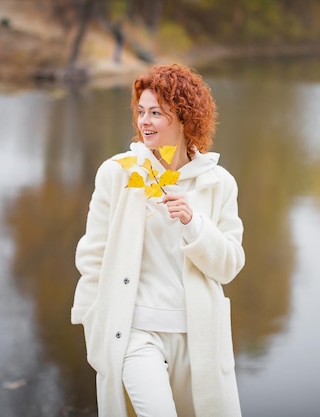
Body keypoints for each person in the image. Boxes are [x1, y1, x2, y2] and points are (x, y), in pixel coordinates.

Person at [71, 63, 245, 417]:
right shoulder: (118, 173)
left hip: (197, 336)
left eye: (156, 113)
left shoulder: (218, 182)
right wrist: (93, 325)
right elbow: (92, 258)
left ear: (184, 118)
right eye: (141, 112)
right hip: (133, 331)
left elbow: (229, 265)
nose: (144, 122)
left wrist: (194, 222)